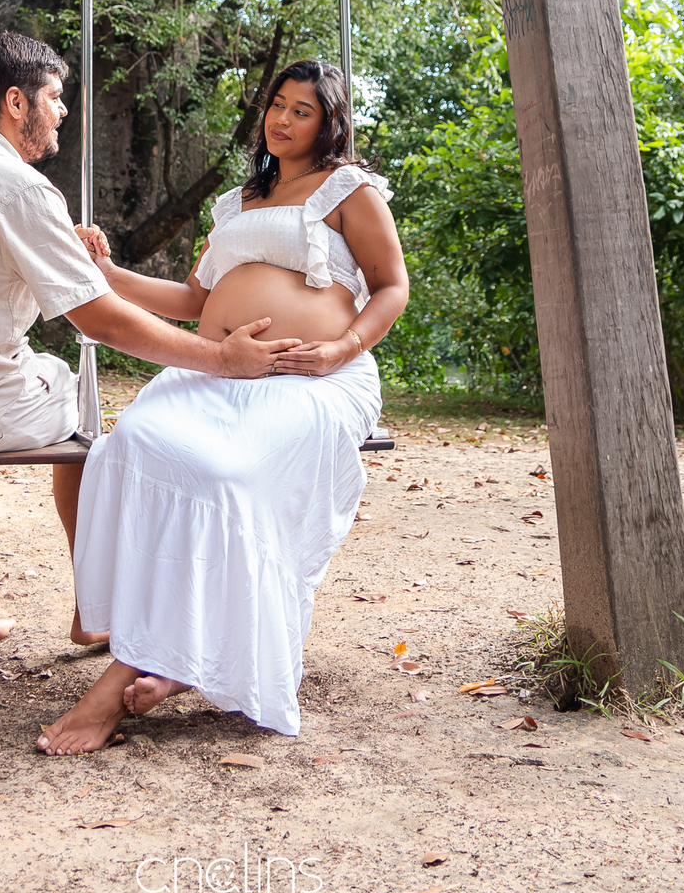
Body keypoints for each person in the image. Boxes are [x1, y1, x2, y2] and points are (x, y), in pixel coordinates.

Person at [0, 30, 302, 656]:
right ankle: (91, 609)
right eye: (53, 98)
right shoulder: (21, 189)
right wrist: (220, 358)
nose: (62, 111)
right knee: (75, 397)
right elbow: (101, 321)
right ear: (15, 103)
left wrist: (58, 237)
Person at [37, 57, 410, 753]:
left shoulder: (348, 190)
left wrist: (341, 349)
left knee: (225, 477)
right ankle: (175, 656)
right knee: (134, 441)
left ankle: (121, 683)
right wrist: (108, 275)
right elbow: (195, 303)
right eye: (278, 103)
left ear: (329, 122)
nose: (284, 118)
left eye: (303, 109)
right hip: (215, 373)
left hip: (313, 378)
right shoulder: (236, 204)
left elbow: (391, 285)